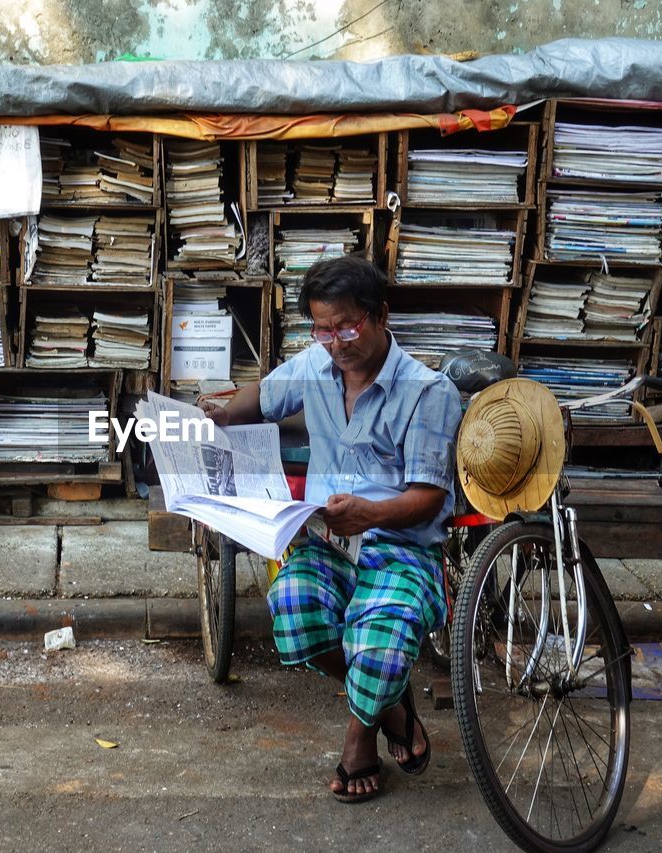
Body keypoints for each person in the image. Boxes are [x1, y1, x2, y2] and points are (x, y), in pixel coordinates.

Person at [200, 254, 463, 803]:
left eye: (348, 326)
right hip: (327, 541)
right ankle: (391, 704)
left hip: (400, 546)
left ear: (380, 314)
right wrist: (221, 415)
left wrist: (369, 514)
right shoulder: (314, 366)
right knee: (293, 609)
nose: (336, 342)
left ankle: (359, 735)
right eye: (322, 328)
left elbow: (430, 497)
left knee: (380, 640)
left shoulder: (427, 392)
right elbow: (262, 396)